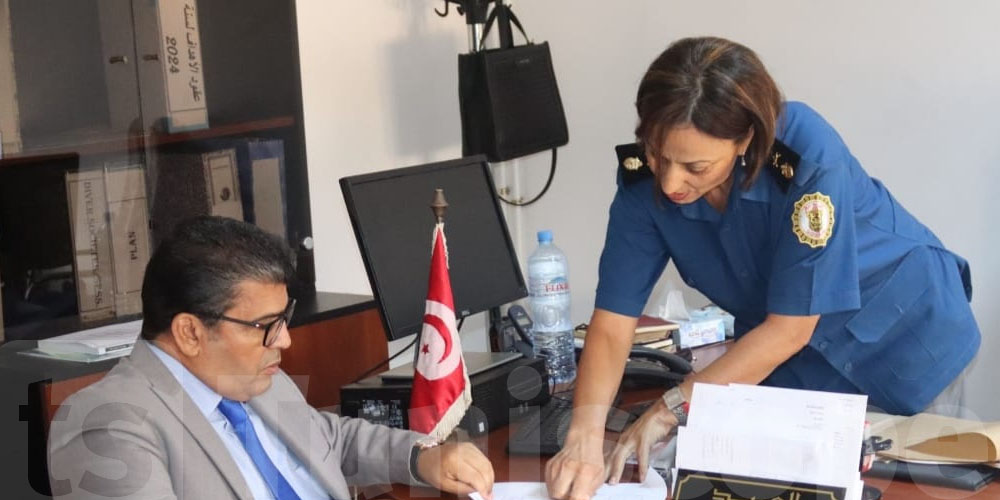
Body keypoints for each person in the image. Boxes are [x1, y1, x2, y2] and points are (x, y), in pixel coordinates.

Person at [545, 36, 980, 500]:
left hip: (906, 337)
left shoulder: (804, 154)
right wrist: (583, 438)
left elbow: (791, 329)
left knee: (911, 493)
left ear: (745, 139)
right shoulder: (643, 185)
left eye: (695, 166)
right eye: (658, 155)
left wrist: (669, 408)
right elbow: (613, 324)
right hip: (796, 372)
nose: (670, 181)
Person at [48, 216, 495, 500]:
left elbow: (332, 441)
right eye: (265, 325)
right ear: (189, 332)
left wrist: (422, 459)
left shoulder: (253, 377)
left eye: (284, 319)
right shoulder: (106, 424)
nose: (284, 342)